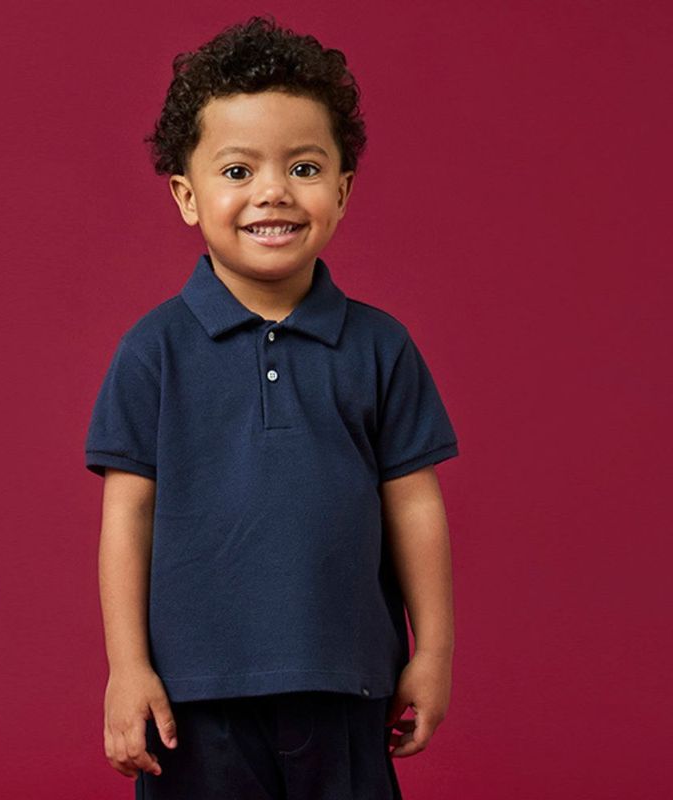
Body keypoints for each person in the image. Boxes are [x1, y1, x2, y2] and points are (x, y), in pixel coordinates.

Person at [85, 14, 460, 800]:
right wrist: (128, 667)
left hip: (346, 683)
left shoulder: (381, 347)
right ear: (187, 196)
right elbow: (128, 516)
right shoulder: (153, 351)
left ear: (342, 190)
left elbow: (415, 505)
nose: (273, 192)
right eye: (237, 170)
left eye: (304, 166)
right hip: (194, 700)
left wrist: (433, 651)